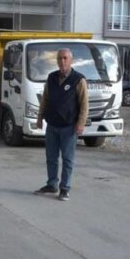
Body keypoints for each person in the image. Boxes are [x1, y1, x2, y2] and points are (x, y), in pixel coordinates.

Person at [35, 48, 89, 201]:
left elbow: (84, 104)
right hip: (52, 125)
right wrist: (40, 118)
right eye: (59, 58)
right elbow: (45, 99)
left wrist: (81, 123)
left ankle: (65, 188)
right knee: (51, 157)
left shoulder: (78, 80)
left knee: (67, 159)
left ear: (71, 61)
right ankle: (52, 184)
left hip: (69, 127)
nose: (62, 61)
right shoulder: (51, 77)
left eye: (65, 58)